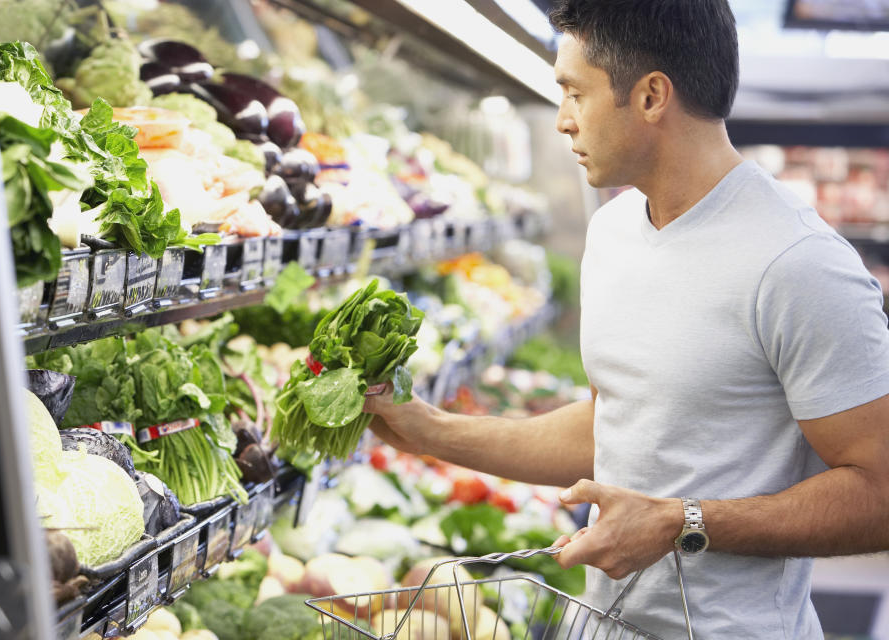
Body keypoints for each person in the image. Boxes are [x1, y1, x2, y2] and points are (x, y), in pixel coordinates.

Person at [363, 0, 889, 637]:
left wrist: (682, 523)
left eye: (573, 93)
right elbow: (613, 428)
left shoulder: (798, 264)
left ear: (651, 97)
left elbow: (879, 493)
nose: (561, 121)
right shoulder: (611, 231)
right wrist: (429, 431)